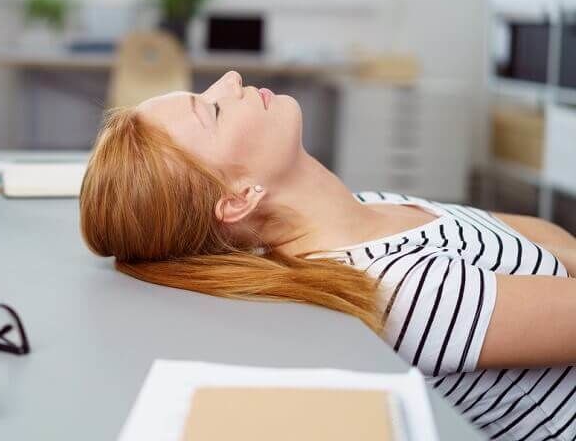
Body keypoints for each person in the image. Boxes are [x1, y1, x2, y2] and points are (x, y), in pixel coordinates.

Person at [80, 71, 576, 440]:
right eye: (212, 109)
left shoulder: (366, 209)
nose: (229, 80)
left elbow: (538, 239)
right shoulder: (404, 290)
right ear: (238, 198)